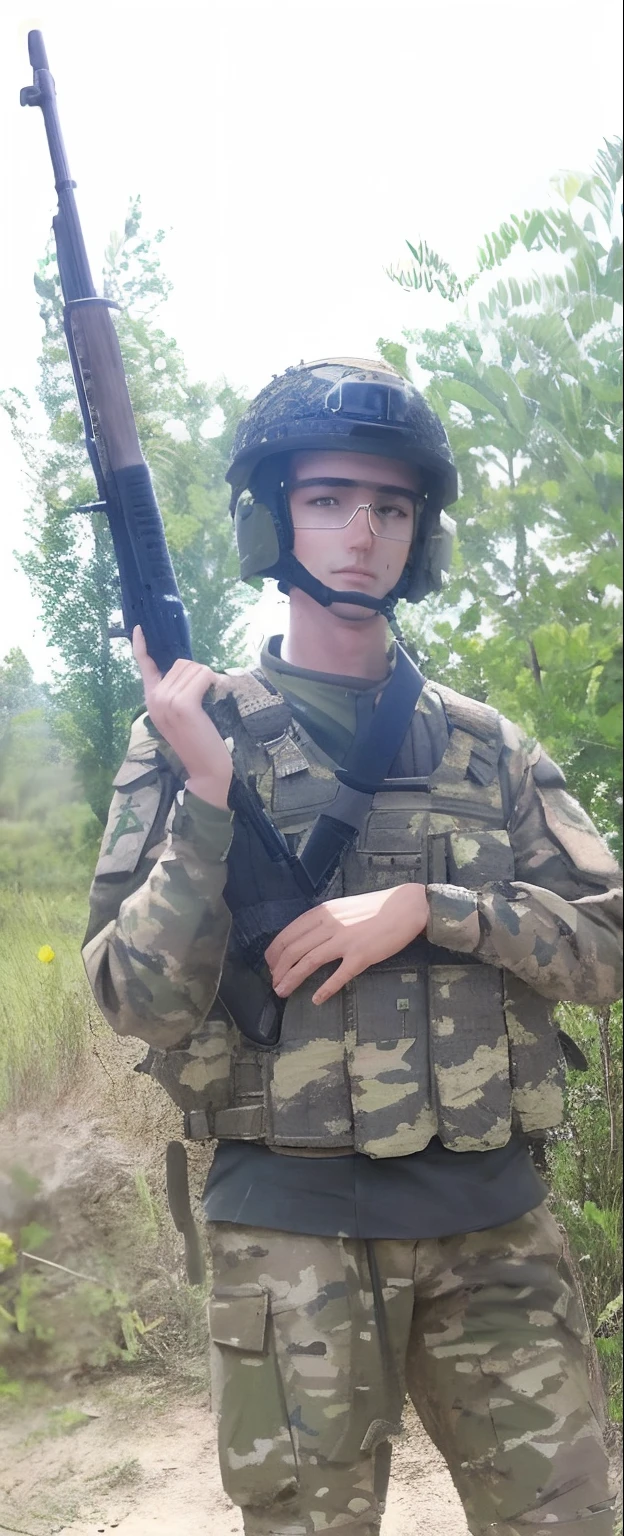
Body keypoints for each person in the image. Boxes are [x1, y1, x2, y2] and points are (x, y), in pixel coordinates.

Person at [82, 359, 622, 1536]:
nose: (362, 533)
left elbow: (612, 945)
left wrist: (438, 908)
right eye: (328, 499)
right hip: (292, 1237)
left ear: (419, 532)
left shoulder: (490, 750)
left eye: (391, 507)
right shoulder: (184, 734)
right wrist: (210, 801)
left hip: (494, 1229)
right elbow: (134, 997)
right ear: (273, 518)